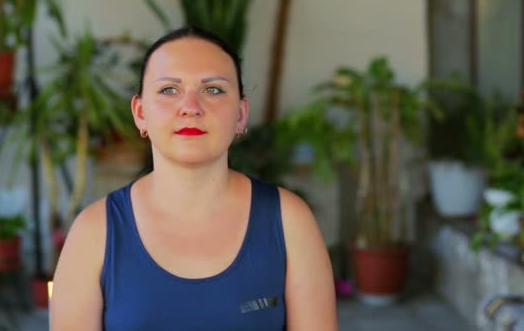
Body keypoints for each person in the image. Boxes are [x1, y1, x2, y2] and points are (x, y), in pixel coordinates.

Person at [51, 26, 338, 330]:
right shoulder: (94, 232)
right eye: (168, 90)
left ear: (240, 115)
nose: (190, 108)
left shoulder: (289, 220)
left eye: (213, 89)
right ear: (140, 112)